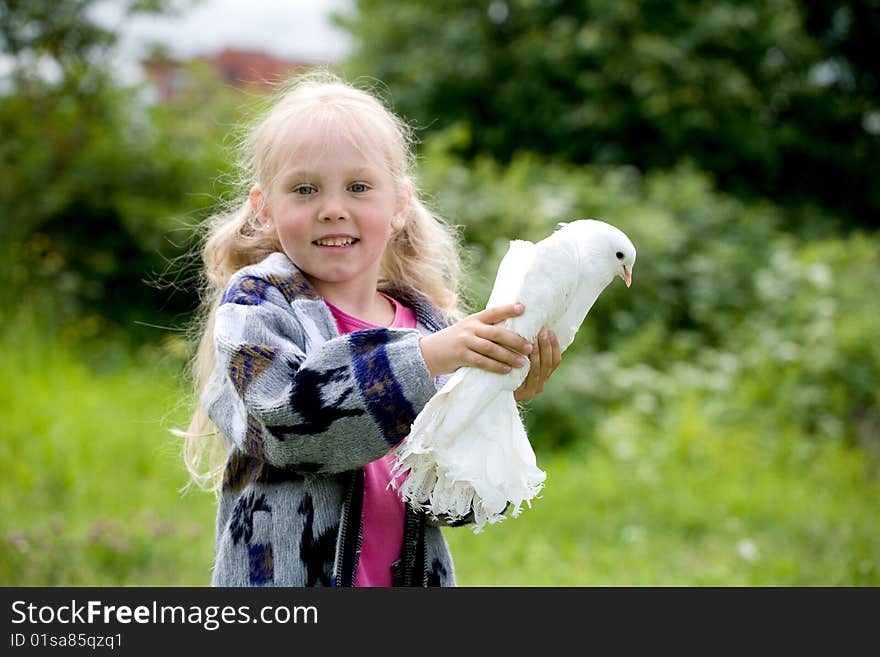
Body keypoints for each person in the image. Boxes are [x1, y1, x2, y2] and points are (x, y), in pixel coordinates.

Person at [182, 70, 561, 587]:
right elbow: (291, 427)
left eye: (358, 187)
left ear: (399, 205)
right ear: (264, 210)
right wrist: (425, 361)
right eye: (304, 189)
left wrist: (497, 400)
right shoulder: (259, 304)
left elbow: (454, 501)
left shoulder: (425, 325)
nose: (333, 209)